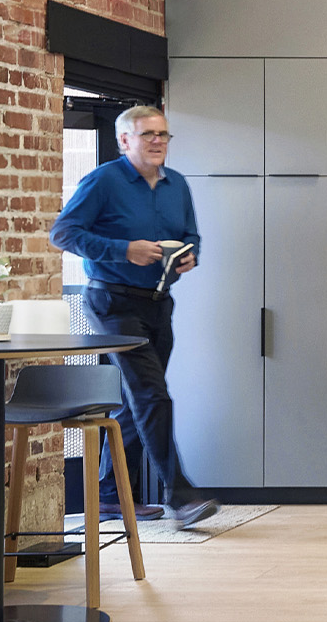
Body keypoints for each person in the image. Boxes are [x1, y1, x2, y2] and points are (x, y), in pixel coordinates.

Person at [51, 104, 220, 529]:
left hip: (159, 302)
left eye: (163, 134)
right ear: (125, 140)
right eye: (148, 134)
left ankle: (109, 495)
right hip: (112, 302)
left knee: (136, 400)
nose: (158, 141)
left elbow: (191, 234)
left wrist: (189, 255)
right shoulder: (104, 181)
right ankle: (180, 495)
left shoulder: (176, 184)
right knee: (152, 395)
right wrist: (124, 250)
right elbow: (63, 233)